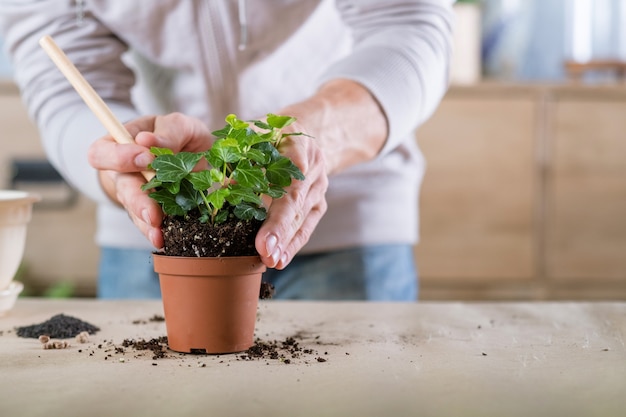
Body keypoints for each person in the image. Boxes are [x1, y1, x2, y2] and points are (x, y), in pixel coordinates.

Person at [0, 0, 454, 300]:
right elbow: (62, 77)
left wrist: (313, 134)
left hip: (347, 220)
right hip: (156, 235)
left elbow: (408, 25)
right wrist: (118, 166)